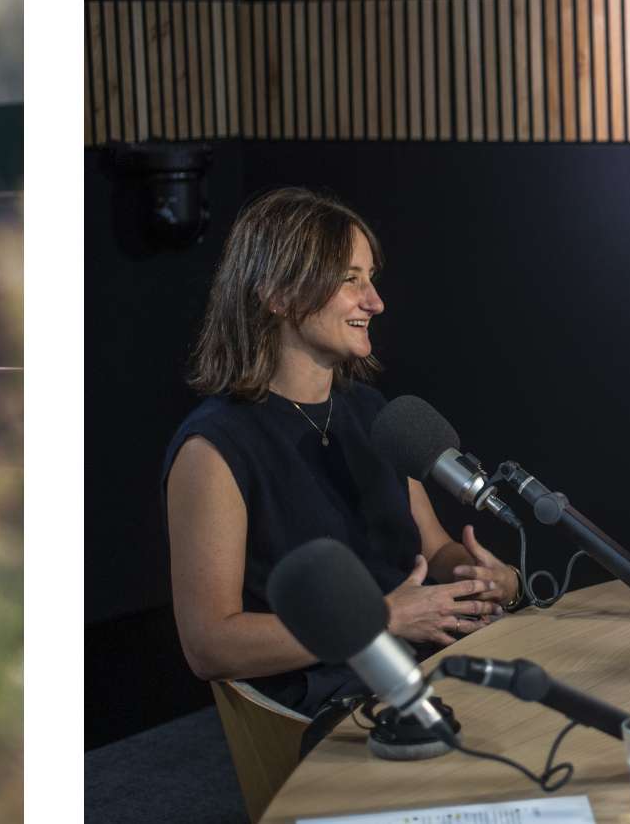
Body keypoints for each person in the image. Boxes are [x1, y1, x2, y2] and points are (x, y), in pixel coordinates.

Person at [163, 187, 519, 720]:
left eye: (370, 278)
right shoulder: (213, 449)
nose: (374, 301)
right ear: (278, 294)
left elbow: (435, 549)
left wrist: (485, 579)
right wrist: (379, 620)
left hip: (422, 669)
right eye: (350, 280)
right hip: (326, 705)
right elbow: (209, 645)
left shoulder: (376, 416)